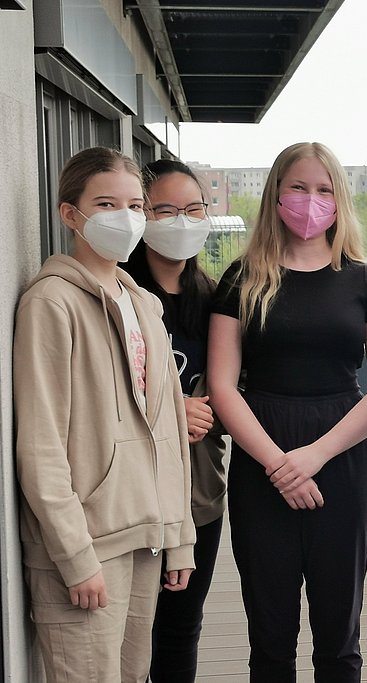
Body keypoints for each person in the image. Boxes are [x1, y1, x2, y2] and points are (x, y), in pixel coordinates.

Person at [207, 142, 367, 682]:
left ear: (339, 201)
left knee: (339, 640)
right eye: (298, 187)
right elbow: (222, 385)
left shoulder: (363, 281)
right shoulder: (243, 278)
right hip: (260, 460)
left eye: (324, 190)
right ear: (275, 195)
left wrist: (314, 456)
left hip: (341, 455)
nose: (311, 200)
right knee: (270, 639)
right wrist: (278, 465)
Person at [13, 146, 196, 682]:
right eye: (107, 204)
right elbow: (41, 444)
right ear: (70, 214)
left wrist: (178, 535)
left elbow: (167, 431)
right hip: (87, 547)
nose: (127, 217)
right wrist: (75, 556)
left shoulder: (143, 303)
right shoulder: (51, 303)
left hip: (144, 537)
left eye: (136, 205)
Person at [122, 158, 229, 682]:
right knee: (129, 631)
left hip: (198, 493)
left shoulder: (217, 302)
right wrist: (169, 413)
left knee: (182, 627)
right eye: (164, 210)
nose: (181, 221)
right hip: (129, 496)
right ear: (142, 215)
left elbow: (235, 395)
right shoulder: (116, 295)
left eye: (193, 209)